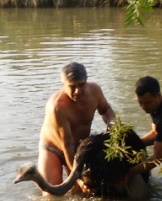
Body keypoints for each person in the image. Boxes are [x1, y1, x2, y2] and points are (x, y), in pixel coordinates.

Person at [38, 62, 116, 194]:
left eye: (81, 85)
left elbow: (106, 110)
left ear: (86, 81)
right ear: (63, 84)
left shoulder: (95, 91)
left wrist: (112, 124)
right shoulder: (57, 106)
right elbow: (67, 145)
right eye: (72, 86)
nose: (78, 91)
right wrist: (77, 178)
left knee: (80, 193)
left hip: (80, 148)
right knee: (50, 196)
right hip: (53, 149)